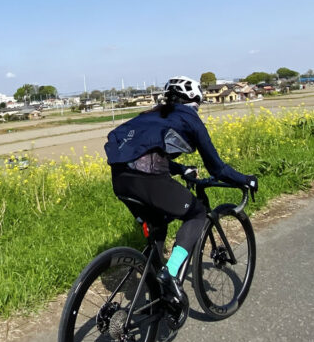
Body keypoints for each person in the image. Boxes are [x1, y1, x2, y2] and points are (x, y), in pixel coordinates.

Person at [104, 75, 258, 321]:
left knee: (158, 224)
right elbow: (218, 169)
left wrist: (180, 169)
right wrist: (244, 179)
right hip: (148, 179)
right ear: (194, 100)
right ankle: (171, 272)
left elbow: (144, 152)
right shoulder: (189, 118)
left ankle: (159, 290)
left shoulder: (151, 116)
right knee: (196, 213)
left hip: (121, 180)